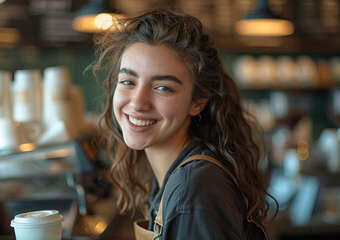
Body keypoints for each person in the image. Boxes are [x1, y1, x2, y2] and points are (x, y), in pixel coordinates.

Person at [90, 9, 277, 239]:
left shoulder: (193, 189)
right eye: (128, 81)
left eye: (163, 88)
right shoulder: (180, 176)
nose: (138, 102)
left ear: (197, 102)